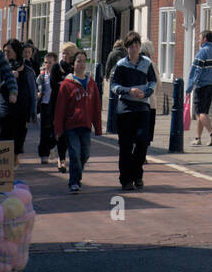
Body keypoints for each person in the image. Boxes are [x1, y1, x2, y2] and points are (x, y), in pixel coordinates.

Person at [111, 31, 156, 191]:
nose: (134, 48)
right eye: (131, 45)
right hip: (125, 109)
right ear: (127, 48)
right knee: (125, 145)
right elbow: (114, 86)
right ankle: (126, 180)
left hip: (143, 107)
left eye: (136, 45)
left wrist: (146, 93)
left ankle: (137, 173)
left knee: (142, 141)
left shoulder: (147, 63)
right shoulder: (121, 65)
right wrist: (129, 91)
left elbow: (153, 81)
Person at [53, 50, 102, 193]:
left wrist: (98, 127)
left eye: (83, 61)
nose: (81, 64)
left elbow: (96, 106)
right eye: (78, 61)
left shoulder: (91, 83)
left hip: (85, 125)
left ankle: (76, 175)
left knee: (85, 154)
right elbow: (60, 108)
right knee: (74, 153)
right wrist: (58, 129)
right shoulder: (66, 84)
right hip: (71, 126)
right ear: (73, 64)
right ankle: (74, 182)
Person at [0, 39, 38, 162]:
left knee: (18, 142)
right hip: (5, 111)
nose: (6, 54)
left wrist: (32, 113)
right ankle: (4, 166)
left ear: (17, 52)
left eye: (9, 51)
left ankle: (14, 158)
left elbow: (33, 93)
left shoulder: (28, 71)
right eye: (4, 51)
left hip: (21, 112)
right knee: (3, 139)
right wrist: (8, 78)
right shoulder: (1, 69)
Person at [50, 43, 78, 172]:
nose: (64, 55)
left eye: (67, 53)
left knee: (69, 133)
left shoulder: (74, 68)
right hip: (57, 104)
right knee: (59, 132)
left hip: (71, 106)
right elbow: (53, 84)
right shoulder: (56, 67)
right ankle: (61, 159)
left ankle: (63, 158)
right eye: (63, 53)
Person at [37, 51, 58, 163]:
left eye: (50, 62)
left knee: (55, 130)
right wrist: (38, 94)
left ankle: (51, 146)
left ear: (55, 63)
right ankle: (43, 155)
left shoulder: (58, 76)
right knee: (44, 131)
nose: (47, 65)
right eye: (46, 62)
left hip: (55, 106)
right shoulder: (41, 76)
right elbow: (36, 88)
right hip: (45, 105)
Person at [140, 40, 160, 150]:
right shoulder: (151, 63)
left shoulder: (133, 61)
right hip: (149, 102)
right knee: (147, 129)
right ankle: (143, 154)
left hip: (135, 101)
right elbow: (158, 83)